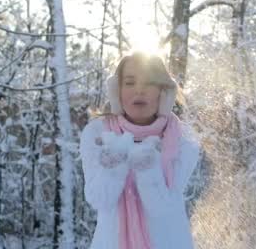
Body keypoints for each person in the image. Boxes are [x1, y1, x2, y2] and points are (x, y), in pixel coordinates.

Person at [80, 52, 200, 249]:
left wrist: (148, 169)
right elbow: (98, 199)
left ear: (163, 92)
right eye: (129, 82)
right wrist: (113, 167)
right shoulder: (97, 133)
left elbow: (162, 207)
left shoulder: (183, 138)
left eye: (149, 83)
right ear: (116, 91)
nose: (140, 90)